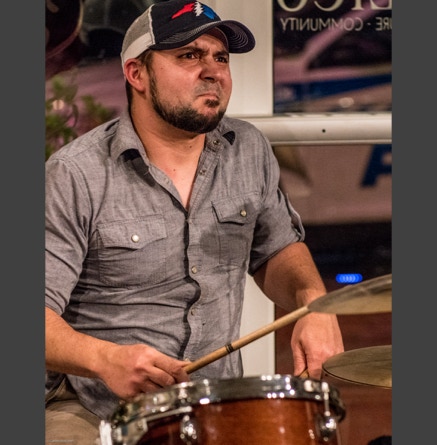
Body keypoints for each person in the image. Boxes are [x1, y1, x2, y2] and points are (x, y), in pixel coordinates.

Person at [45, 1, 344, 443]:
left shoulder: (248, 149)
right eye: (189, 55)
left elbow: (276, 250)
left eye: (221, 58)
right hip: (96, 405)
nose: (213, 72)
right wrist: (105, 360)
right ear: (137, 74)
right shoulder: (75, 174)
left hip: (215, 402)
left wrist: (312, 301)